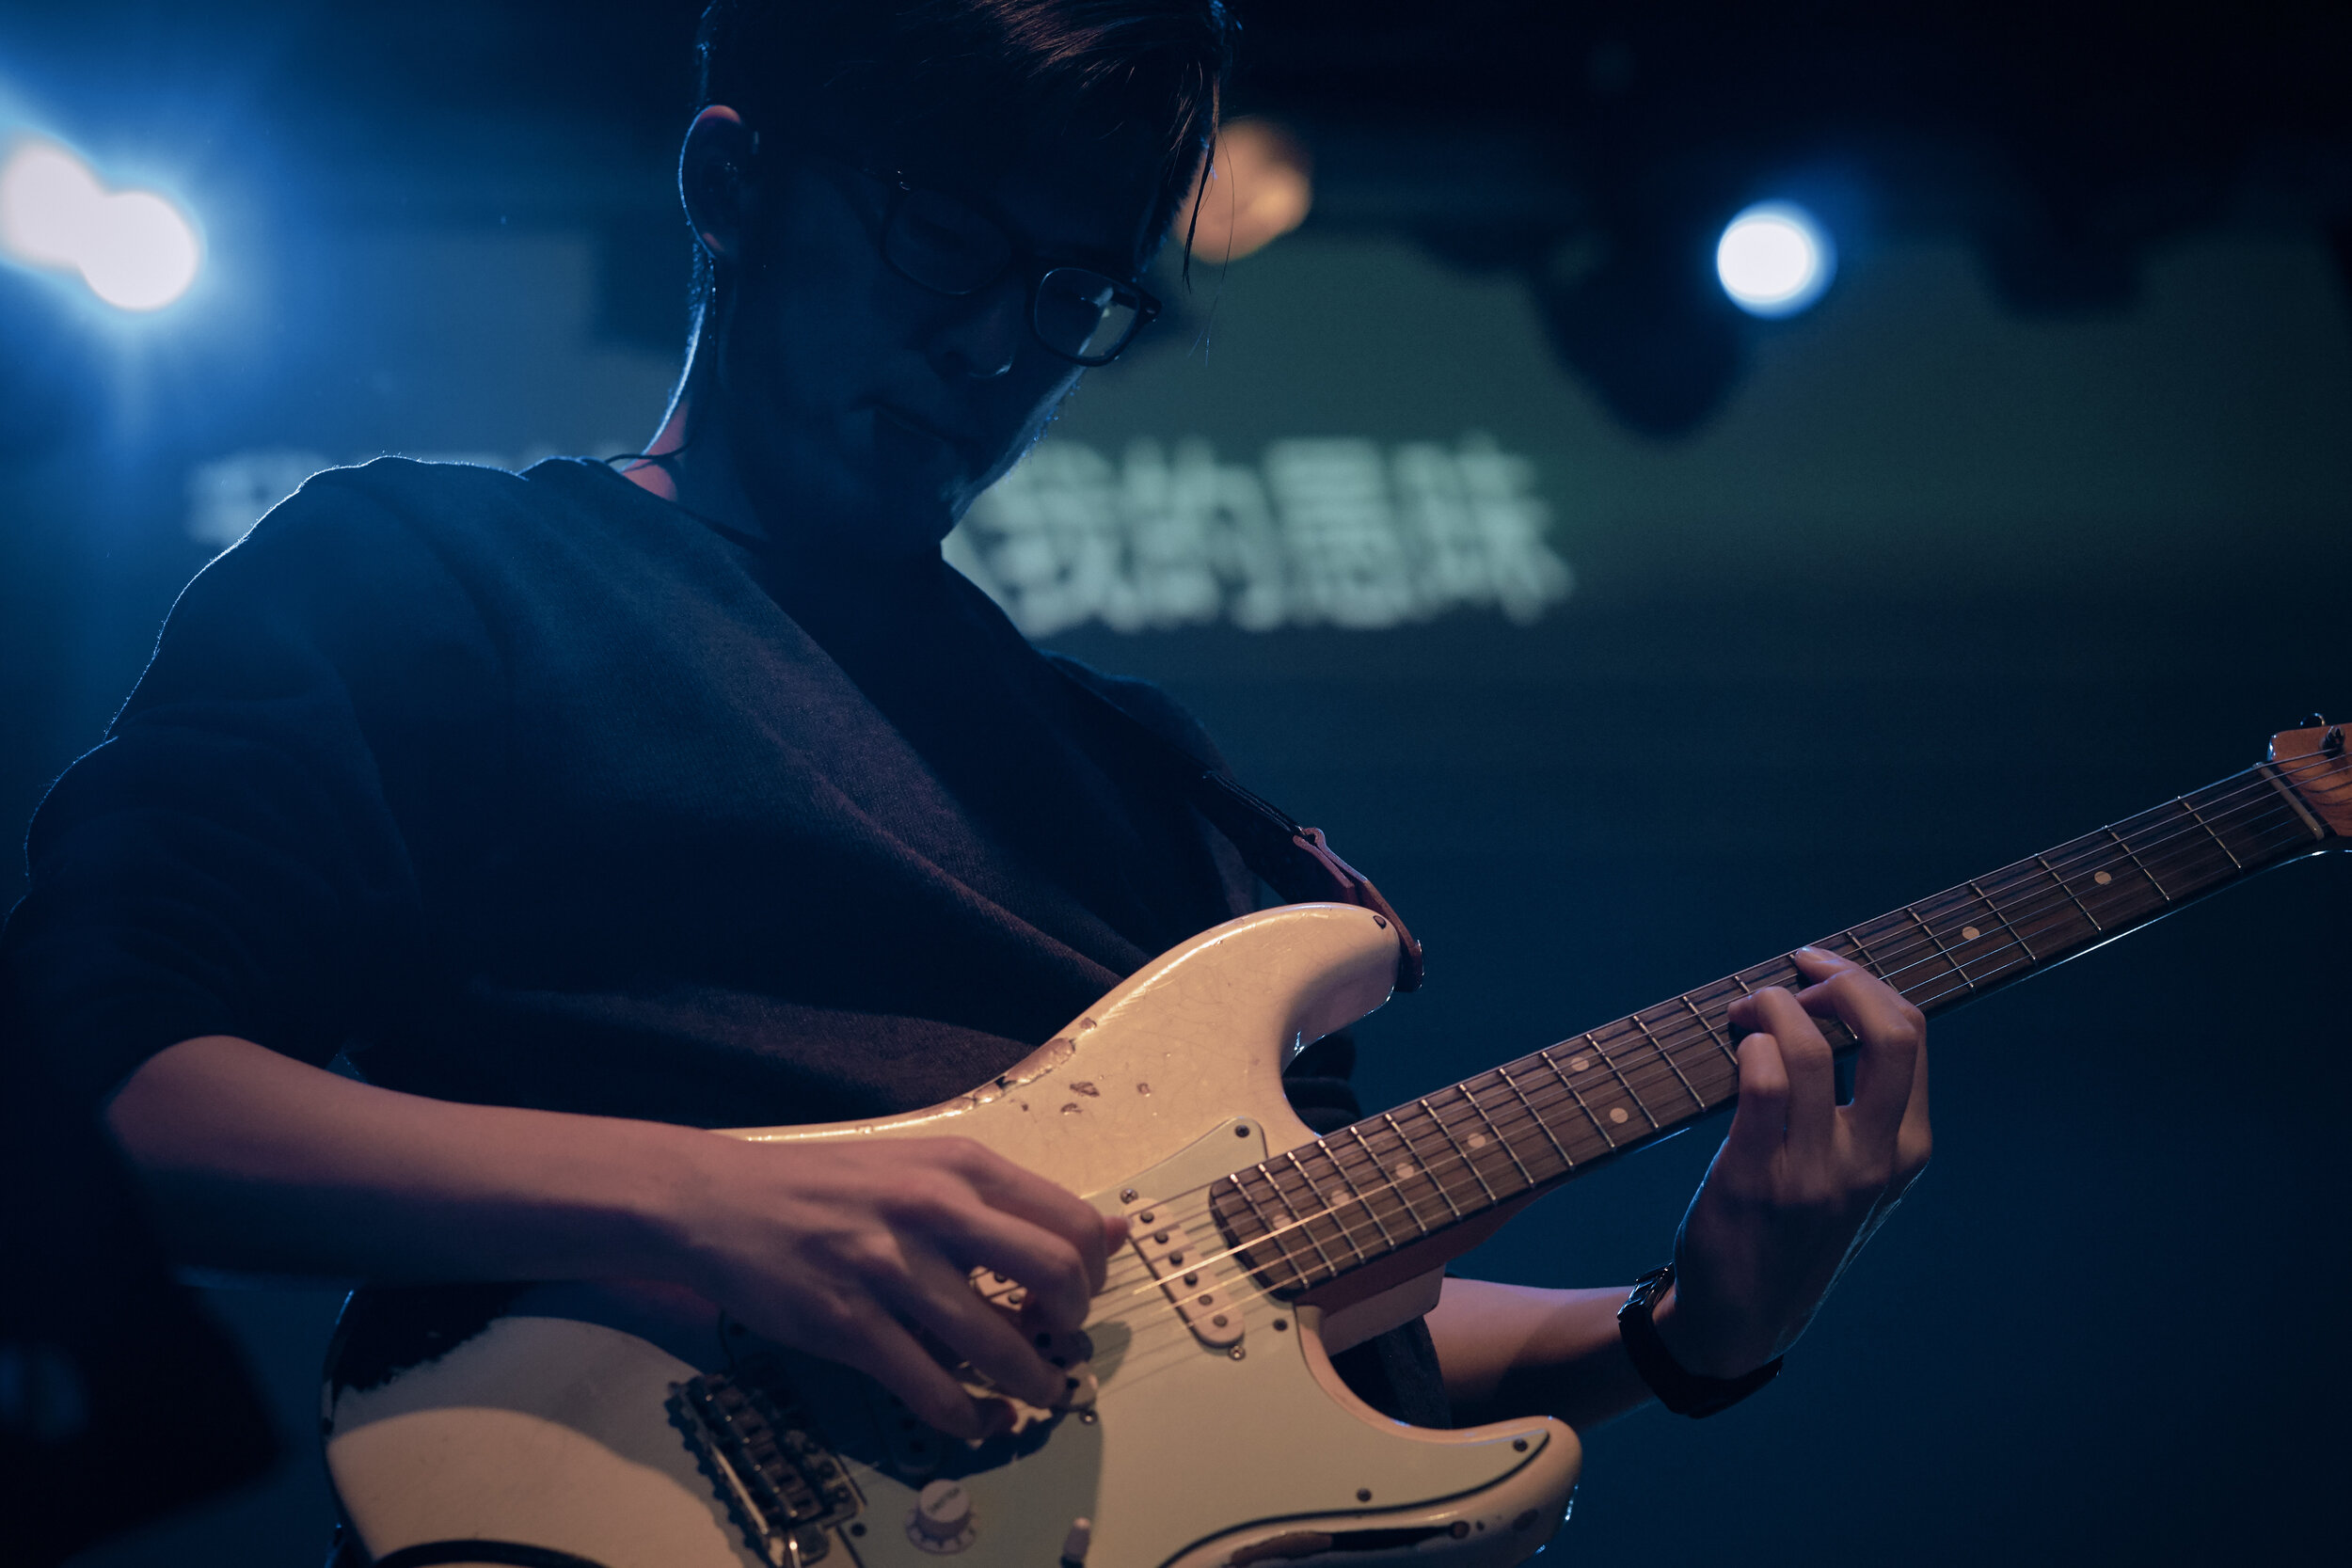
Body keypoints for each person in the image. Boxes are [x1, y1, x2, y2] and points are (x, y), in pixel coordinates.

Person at [0, 0, 1929, 1482]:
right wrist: (704, 1201)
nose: (1000, 348)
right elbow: (103, 1095)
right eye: (943, 240)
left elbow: (1269, 1330)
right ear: (730, 188)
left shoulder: (1154, 789)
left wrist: (1681, 1330)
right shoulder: (432, 574)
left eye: (1070, 291)